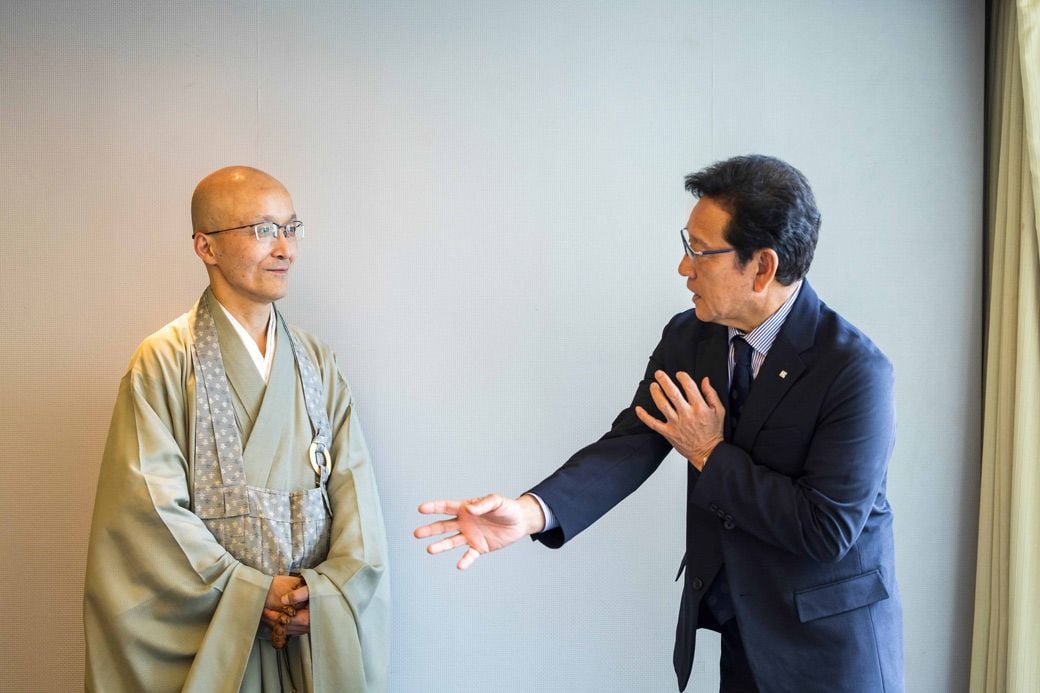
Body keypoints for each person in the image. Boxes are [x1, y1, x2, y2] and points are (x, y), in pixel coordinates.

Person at [415, 155, 902, 692]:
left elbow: (826, 529)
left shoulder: (854, 371)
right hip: (742, 633)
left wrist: (710, 454)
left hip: (829, 651)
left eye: (700, 251)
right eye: (685, 244)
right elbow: (633, 442)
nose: (683, 267)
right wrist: (532, 512)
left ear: (762, 267)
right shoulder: (692, 337)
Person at [84, 166, 389, 692]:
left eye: (291, 229)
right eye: (263, 229)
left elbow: (354, 491)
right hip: (214, 632)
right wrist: (249, 592)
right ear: (206, 247)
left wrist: (326, 592)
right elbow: (146, 513)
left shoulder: (317, 361)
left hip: (307, 627)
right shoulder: (164, 361)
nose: (286, 250)